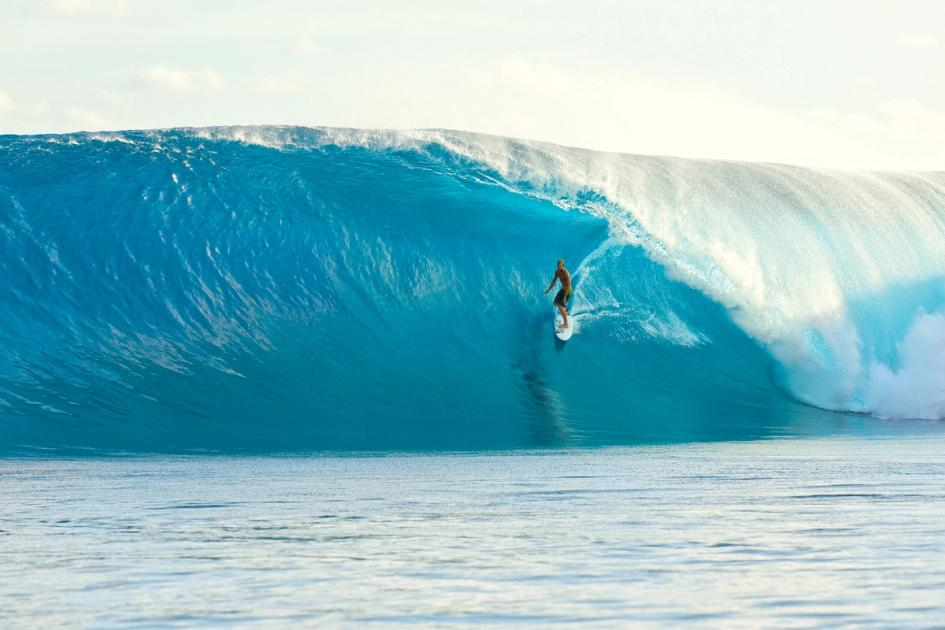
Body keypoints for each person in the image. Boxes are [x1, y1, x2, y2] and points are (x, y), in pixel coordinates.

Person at [544, 259, 572, 331]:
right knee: (556, 303)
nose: (558, 267)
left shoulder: (566, 273)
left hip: (567, 290)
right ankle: (566, 312)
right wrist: (548, 290)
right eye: (557, 266)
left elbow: (568, 286)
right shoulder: (557, 272)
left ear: (563, 266)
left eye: (559, 266)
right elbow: (554, 281)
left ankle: (566, 324)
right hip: (563, 289)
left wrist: (564, 297)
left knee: (560, 306)